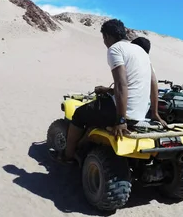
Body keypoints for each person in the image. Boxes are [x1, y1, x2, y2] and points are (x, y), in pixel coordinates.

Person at [53, 19, 166, 164]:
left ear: (107, 36)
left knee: (79, 114)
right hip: (141, 113)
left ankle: (67, 156)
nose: (104, 42)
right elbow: (153, 84)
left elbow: (121, 84)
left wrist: (121, 119)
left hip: (123, 113)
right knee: (95, 112)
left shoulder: (115, 49)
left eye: (103, 38)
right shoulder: (141, 52)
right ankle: (85, 145)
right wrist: (155, 113)